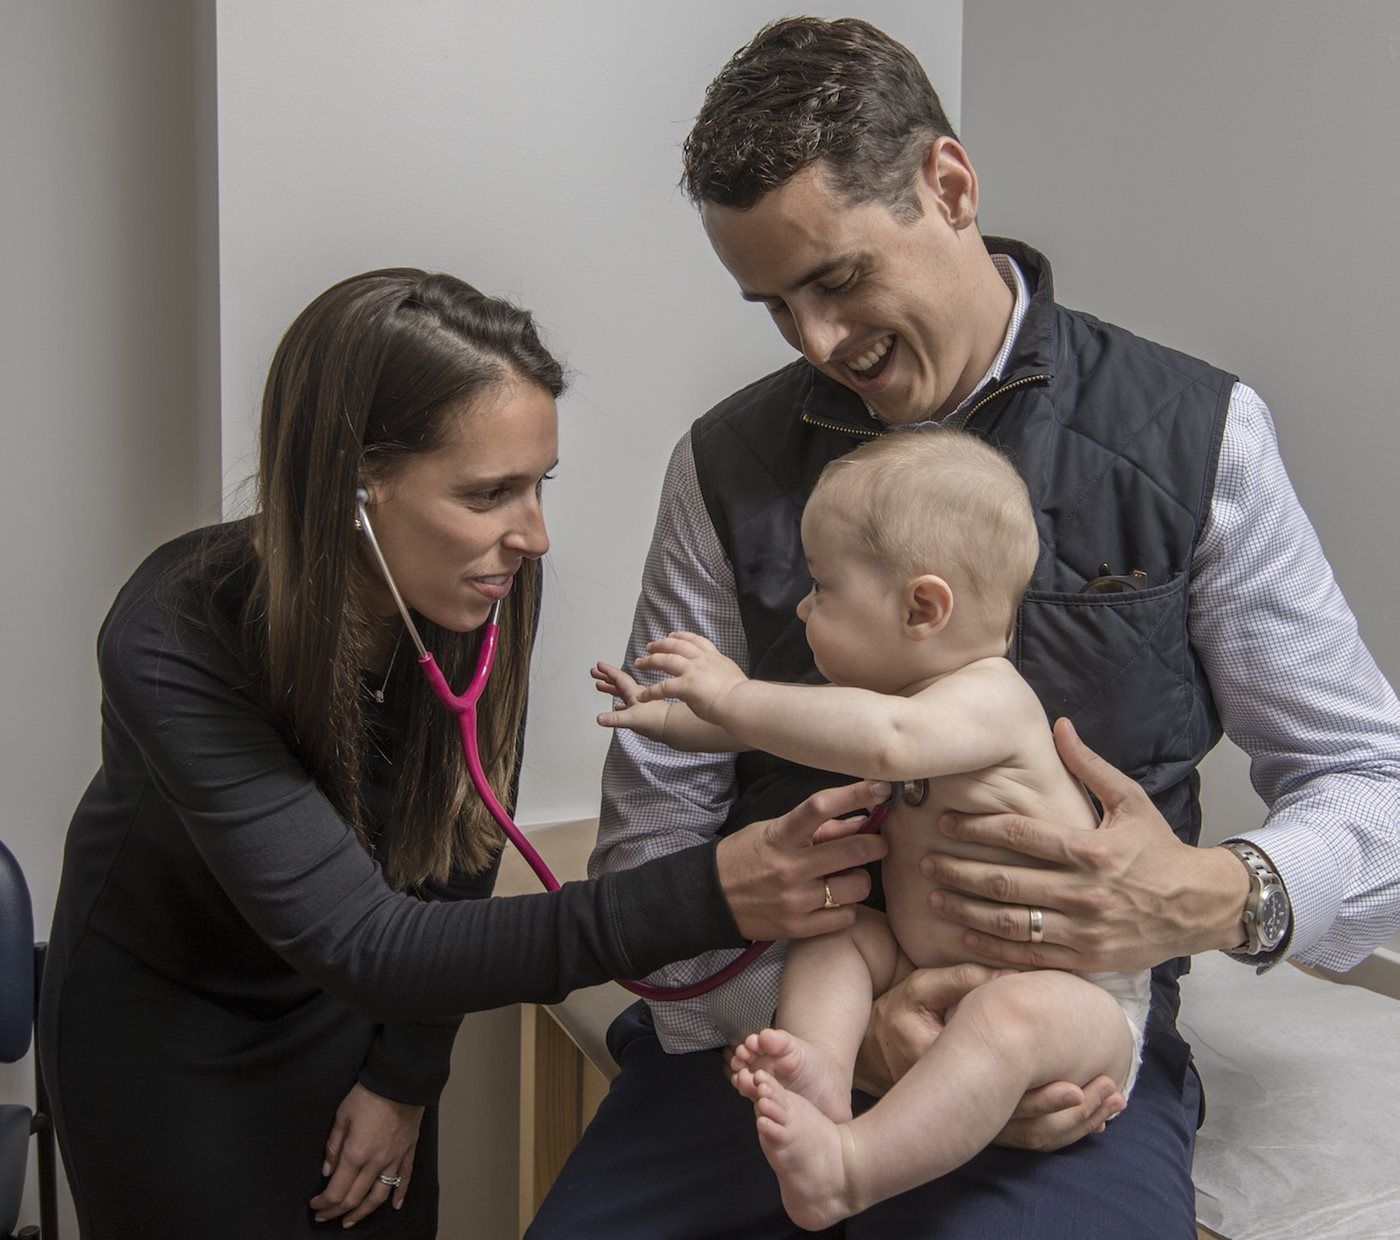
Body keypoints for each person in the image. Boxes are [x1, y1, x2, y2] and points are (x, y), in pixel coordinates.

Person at [529, 16, 1400, 1239]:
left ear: (948, 186)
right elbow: (651, 854)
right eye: (775, 307)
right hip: (790, 1032)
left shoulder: (1196, 439)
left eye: (835, 279)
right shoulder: (721, 466)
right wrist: (843, 1032)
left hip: (1057, 1061)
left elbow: (1372, 785)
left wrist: (1216, 894)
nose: (820, 345)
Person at [38, 267, 890, 1240]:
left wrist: (403, 1077)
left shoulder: (475, 585)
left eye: (539, 483)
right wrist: (712, 890)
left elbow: (455, 840)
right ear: (350, 486)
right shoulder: (175, 631)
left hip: (366, 1007)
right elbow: (361, 940)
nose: (532, 534)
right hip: (173, 1031)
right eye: (490, 492)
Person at [594, 428, 1151, 1229]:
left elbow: (879, 741)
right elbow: (783, 730)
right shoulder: (921, 702)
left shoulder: (989, 698)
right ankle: (820, 1070)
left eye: (822, 587)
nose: (802, 606)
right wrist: (675, 719)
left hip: (1071, 1002)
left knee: (1004, 1021)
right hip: (927, 966)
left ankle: (850, 1171)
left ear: (922, 607)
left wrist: (735, 692)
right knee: (837, 934)